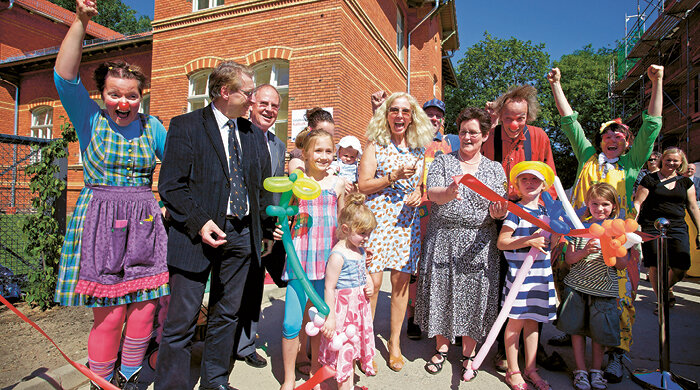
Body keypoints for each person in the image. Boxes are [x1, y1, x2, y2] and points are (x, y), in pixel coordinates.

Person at [53, 1, 169, 387]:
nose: (124, 103)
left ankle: (131, 374)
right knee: (110, 312)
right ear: (102, 94)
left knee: (144, 306)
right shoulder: (90, 121)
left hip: (146, 221)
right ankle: (100, 381)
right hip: (102, 221)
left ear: (141, 97)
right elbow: (65, 77)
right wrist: (82, 21)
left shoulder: (153, 127)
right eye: (115, 94)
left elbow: (180, 166)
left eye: (132, 96)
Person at [156, 61, 274, 390]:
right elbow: (171, 186)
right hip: (196, 237)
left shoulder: (253, 135)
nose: (253, 100)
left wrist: (265, 230)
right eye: (248, 93)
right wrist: (200, 221)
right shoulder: (186, 126)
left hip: (240, 236)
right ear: (225, 92)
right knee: (181, 322)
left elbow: (261, 188)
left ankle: (215, 383)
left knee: (226, 315)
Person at [548, 65, 664, 382]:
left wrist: (658, 82)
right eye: (608, 134)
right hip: (576, 240)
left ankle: (616, 354)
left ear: (628, 143)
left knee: (618, 299)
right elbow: (570, 122)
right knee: (571, 292)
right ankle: (574, 334)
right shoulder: (586, 156)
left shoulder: (630, 164)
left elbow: (652, 125)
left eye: (620, 135)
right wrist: (557, 84)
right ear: (600, 141)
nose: (613, 137)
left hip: (615, 243)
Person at [415, 107, 508, 382]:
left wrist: (499, 213)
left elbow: (499, 207)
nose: (467, 137)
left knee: (474, 296)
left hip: (479, 242)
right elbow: (431, 193)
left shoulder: (495, 169)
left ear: (485, 135)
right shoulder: (443, 162)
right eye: (463, 132)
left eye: (473, 133)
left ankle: (469, 353)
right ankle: (441, 349)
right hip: (443, 237)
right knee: (442, 291)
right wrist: (449, 192)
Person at [482, 85, 561, 373]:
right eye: (508, 119)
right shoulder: (490, 138)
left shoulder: (539, 137)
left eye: (521, 118)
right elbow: (482, 175)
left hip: (535, 217)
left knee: (535, 284)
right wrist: (493, 206)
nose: (515, 125)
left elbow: (549, 181)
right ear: (500, 116)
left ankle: (533, 351)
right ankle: (504, 349)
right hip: (502, 216)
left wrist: (553, 225)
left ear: (529, 115)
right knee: (506, 281)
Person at [358, 92, 433, 371]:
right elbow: (363, 185)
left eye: (405, 111)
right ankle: (366, 345)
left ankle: (395, 343)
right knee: (373, 286)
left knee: (401, 285)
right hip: (377, 221)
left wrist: (418, 192)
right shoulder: (375, 145)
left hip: (406, 223)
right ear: (386, 115)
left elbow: (422, 184)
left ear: (412, 117)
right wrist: (391, 177)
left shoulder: (418, 149)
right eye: (394, 110)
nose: (399, 116)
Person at [278, 129, 348, 390]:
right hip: (299, 260)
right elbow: (285, 214)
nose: (324, 156)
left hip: (327, 263)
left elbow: (343, 222)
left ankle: (315, 372)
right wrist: (278, 227)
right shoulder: (297, 181)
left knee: (319, 321)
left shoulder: (338, 183)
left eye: (329, 151)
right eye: (318, 151)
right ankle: (288, 379)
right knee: (291, 322)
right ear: (305, 154)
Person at [229, 84, 287, 370]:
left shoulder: (278, 144)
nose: (269, 110)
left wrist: (274, 225)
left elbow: (275, 190)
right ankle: (227, 344)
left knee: (255, 288)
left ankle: (245, 344)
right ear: (251, 105)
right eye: (264, 103)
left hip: (267, 228)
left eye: (275, 106)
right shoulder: (236, 135)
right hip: (238, 225)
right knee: (233, 291)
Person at [557, 183, 629, 390]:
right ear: (588, 205)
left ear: (614, 206)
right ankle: (580, 370)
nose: (600, 208)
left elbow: (623, 265)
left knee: (599, 334)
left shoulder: (618, 230)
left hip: (604, 291)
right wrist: (585, 251)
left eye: (605, 204)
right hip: (577, 288)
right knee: (576, 331)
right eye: (595, 203)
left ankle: (596, 370)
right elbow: (569, 259)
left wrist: (613, 249)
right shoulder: (579, 228)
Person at [497, 161, 557, 390]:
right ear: (517, 185)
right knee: (515, 324)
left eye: (535, 180)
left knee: (533, 323)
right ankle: (513, 371)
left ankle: (531, 369)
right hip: (519, 277)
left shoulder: (547, 212)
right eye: (525, 179)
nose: (530, 183)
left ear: (543, 185)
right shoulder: (515, 211)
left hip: (540, 276)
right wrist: (527, 240)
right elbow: (502, 243)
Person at [406, 97, 459, 341]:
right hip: (416, 211)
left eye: (438, 115)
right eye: (430, 113)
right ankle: (413, 316)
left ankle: (436, 315)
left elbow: (481, 137)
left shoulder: (450, 143)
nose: (434, 118)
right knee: (413, 266)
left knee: (438, 265)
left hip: (441, 212)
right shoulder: (410, 139)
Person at [319, 192, 377, 389]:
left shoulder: (359, 250)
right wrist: (331, 318)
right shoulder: (338, 255)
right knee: (344, 349)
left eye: (368, 233)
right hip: (343, 312)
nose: (366, 238)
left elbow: (364, 271)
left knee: (352, 349)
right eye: (362, 233)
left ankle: (349, 385)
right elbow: (329, 287)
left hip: (358, 309)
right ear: (345, 228)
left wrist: (368, 282)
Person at [635, 147, 700, 314]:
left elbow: (693, 207)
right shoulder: (649, 180)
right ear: (662, 159)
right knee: (656, 265)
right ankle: (662, 300)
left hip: (677, 226)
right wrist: (632, 224)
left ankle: (665, 289)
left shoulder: (686, 183)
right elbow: (638, 203)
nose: (671, 163)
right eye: (668, 159)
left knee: (681, 266)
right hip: (652, 225)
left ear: (681, 162)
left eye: (675, 160)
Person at [288, 108, 335, 173]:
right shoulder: (298, 159)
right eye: (322, 134)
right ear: (310, 131)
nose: (326, 139)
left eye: (330, 136)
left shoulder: (331, 157)